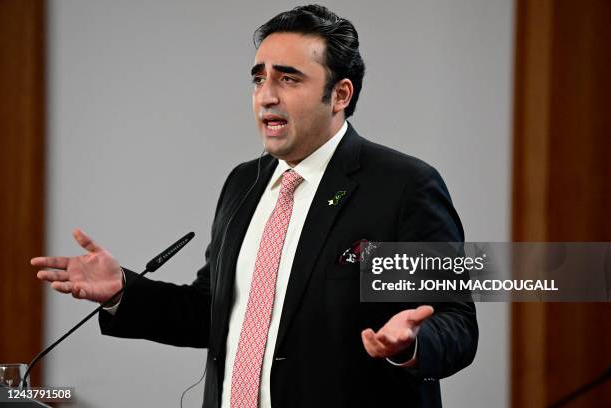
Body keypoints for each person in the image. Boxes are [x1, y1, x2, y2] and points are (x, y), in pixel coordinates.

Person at [32, 5, 477, 407]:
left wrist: (413, 342)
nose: (266, 95)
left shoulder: (403, 186)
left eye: (288, 78)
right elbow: (212, 311)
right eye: (259, 77)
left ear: (340, 95)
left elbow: (457, 324)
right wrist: (123, 291)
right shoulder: (245, 182)